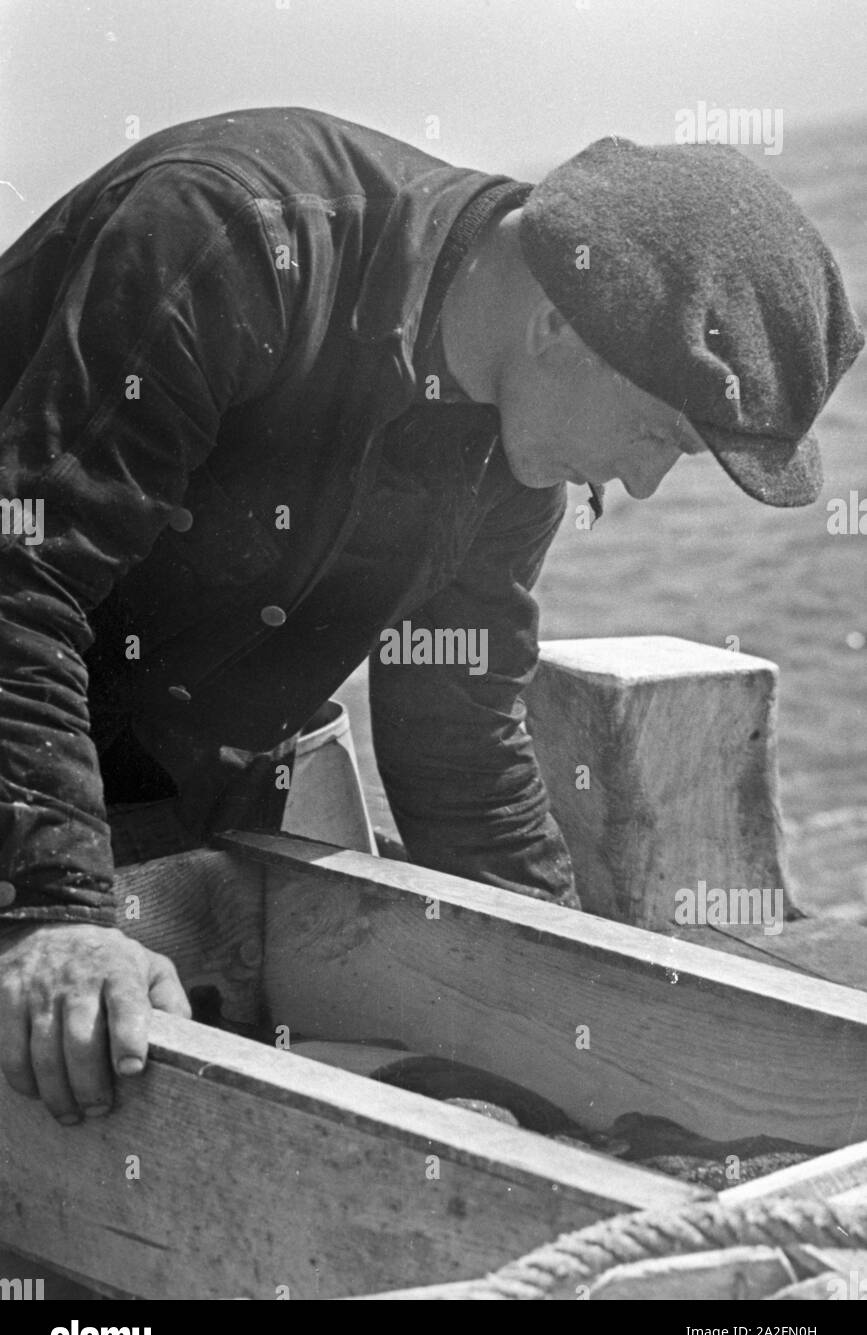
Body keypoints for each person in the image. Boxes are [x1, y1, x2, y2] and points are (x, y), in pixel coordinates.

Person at [0, 109, 861, 1124]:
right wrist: (54, 907)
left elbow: (456, 744)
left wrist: (579, 1002)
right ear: (556, 327)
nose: (642, 483)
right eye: (658, 434)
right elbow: (21, 585)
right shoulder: (231, 239)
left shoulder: (512, 439)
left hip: (192, 774)